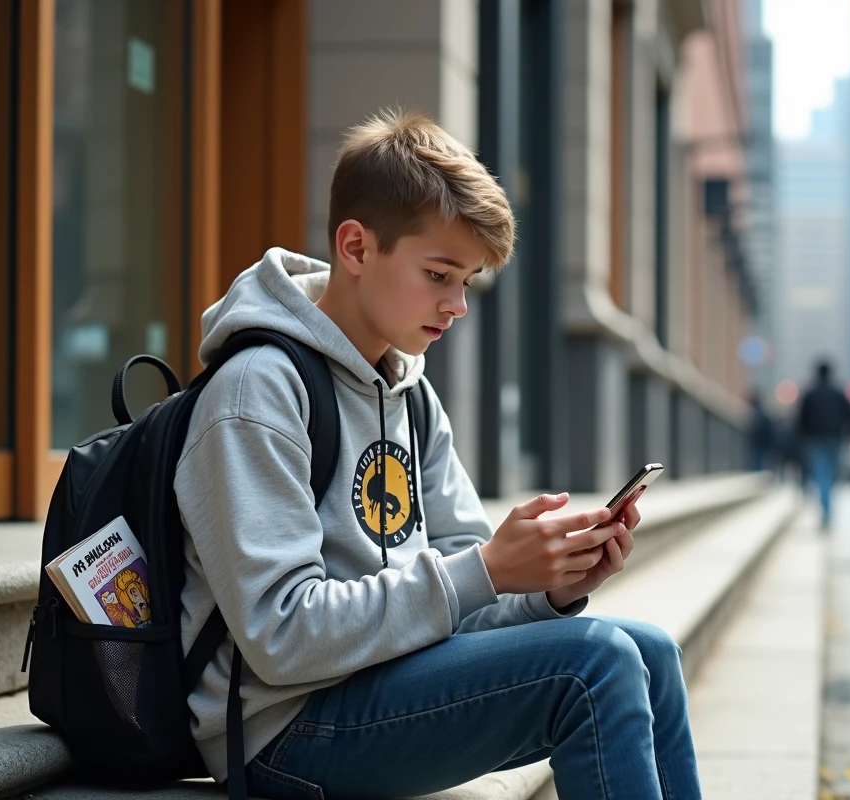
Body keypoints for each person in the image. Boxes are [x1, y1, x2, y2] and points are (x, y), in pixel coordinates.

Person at [174, 110, 700, 800]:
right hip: (282, 728)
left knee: (651, 653)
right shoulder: (258, 390)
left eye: (468, 282)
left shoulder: (409, 396)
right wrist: (482, 570)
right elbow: (281, 633)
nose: (456, 306)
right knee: (593, 665)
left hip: (385, 681)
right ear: (356, 249)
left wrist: (551, 588)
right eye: (439, 274)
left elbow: (462, 606)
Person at [797, 360, 850, 529]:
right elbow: (849, 415)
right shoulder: (838, 393)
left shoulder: (810, 394)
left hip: (815, 439)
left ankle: (826, 509)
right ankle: (828, 508)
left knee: (822, 474)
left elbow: (801, 419)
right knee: (831, 474)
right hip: (835, 438)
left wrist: (802, 437)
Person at [747, 390, 776, 471]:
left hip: (759, 442)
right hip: (762, 443)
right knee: (759, 460)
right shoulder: (762, 413)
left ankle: (757, 472)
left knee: (757, 460)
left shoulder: (758, 413)